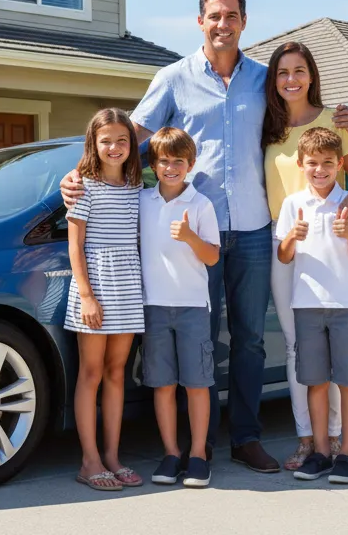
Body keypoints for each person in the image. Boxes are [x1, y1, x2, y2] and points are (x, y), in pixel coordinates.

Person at [61, 0, 348, 472]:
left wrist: (347, 116)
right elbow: (126, 137)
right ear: (200, 21)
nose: (223, 24)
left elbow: (306, 116)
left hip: (254, 230)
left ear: (244, 22)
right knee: (197, 340)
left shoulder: (264, 80)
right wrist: (79, 171)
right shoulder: (173, 78)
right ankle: (190, 447)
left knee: (249, 340)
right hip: (193, 232)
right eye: (215, 16)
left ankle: (245, 438)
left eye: (232, 16)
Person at [261, 41, 348, 471]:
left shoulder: (336, 121)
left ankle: (339, 441)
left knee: (336, 354)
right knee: (299, 348)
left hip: (331, 239)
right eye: (282, 72)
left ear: (312, 76)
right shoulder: (267, 126)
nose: (291, 79)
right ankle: (309, 440)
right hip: (286, 239)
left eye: (299, 70)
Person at [275, 127, 348, 485]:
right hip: (307, 305)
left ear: (340, 164)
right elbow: (284, 256)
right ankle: (320, 452)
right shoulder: (292, 205)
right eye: (313, 163)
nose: (320, 170)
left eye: (328, 163)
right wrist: (291, 237)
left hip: (345, 305)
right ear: (300, 165)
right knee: (315, 382)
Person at [64, 108, 146, 491]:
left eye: (122, 140)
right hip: (95, 285)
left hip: (128, 287)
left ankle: (112, 456)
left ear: (132, 144)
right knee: (92, 373)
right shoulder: (83, 186)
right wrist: (87, 296)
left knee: (117, 373)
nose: (115, 147)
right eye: (106, 141)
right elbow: (75, 246)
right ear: (93, 144)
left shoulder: (137, 187)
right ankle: (89, 460)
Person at [139, 128, 220, 489]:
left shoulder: (200, 204)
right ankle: (171, 453)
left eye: (178, 161)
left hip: (192, 307)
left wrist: (189, 237)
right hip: (154, 306)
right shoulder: (142, 201)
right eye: (163, 161)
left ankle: (198, 454)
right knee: (163, 385)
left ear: (191, 164)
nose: (170, 168)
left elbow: (212, 256)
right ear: (153, 165)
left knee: (197, 384)